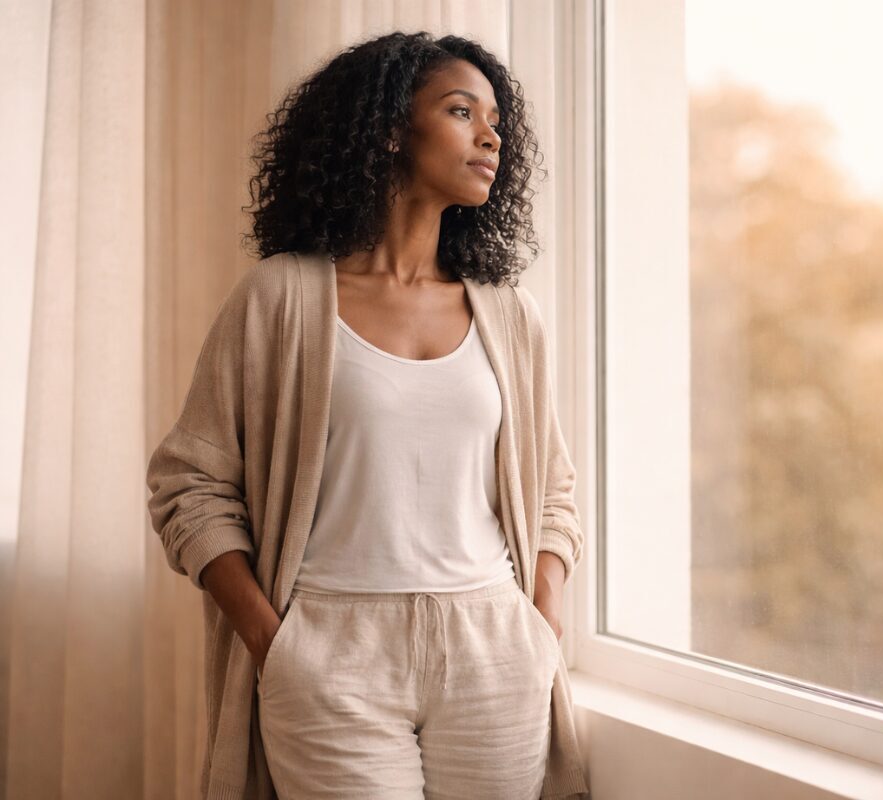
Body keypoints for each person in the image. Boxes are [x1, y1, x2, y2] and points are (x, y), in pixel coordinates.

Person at [146, 30, 588, 800]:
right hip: (330, 647)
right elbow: (190, 486)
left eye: (495, 121)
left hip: (493, 646)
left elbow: (552, 491)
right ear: (389, 127)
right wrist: (271, 639)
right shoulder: (280, 298)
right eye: (461, 111)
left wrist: (539, 623)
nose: (491, 137)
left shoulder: (510, 314)